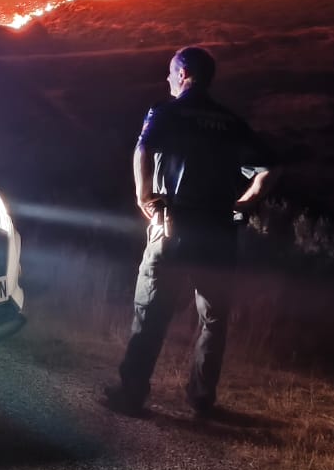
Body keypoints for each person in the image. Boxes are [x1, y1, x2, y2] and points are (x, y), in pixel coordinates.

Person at [104, 46, 274, 417]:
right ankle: (201, 398)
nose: (167, 80)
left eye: (170, 73)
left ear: (182, 75)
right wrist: (243, 205)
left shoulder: (166, 113)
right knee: (214, 318)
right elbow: (265, 170)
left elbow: (143, 150)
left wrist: (144, 197)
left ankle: (131, 393)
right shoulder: (231, 121)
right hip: (217, 233)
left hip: (173, 227)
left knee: (151, 312)